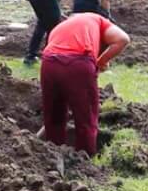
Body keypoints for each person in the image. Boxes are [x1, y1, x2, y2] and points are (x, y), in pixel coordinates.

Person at [39, 12, 130, 156]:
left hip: (48, 63)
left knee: (54, 116)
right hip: (78, 63)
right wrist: (101, 62)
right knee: (86, 118)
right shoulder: (99, 21)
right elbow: (123, 39)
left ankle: (52, 155)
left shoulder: (60, 28)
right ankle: (85, 159)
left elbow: (60, 54)